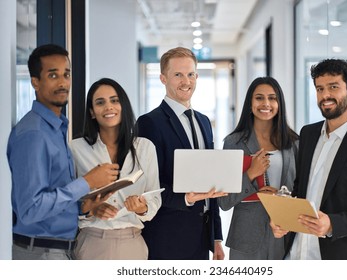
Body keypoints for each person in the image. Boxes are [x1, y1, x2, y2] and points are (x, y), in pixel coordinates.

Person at [7, 44, 119, 260]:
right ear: (35, 82)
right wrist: (87, 182)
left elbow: (52, 196)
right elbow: (31, 209)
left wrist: (85, 206)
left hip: (57, 250)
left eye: (66, 74)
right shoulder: (34, 134)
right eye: (52, 75)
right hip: (40, 254)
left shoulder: (56, 129)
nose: (62, 82)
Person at [271, 58, 347, 259]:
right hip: (297, 252)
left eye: (333, 87)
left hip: (341, 255)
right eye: (319, 88)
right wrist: (284, 218)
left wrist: (333, 224)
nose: (325, 95)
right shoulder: (308, 134)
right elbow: (301, 189)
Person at [136, 47, 226, 260]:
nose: (186, 81)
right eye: (178, 75)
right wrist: (185, 198)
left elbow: (209, 180)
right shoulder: (149, 123)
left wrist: (216, 238)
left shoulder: (203, 122)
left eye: (191, 74)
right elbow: (149, 185)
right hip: (167, 235)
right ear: (163, 78)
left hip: (202, 239)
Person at [69, 78, 162, 259]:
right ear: (92, 112)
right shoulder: (75, 149)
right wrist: (92, 210)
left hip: (132, 243)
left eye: (114, 100)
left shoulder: (145, 148)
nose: (109, 107)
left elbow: (154, 198)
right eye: (100, 102)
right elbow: (67, 201)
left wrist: (141, 207)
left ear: (123, 106)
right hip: (92, 242)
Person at [218, 77, 299, 260]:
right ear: (250, 103)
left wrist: (280, 196)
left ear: (280, 103)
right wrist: (250, 174)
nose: (266, 103)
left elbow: (302, 189)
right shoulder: (233, 143)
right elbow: (223, 202)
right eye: (259, 98)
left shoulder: (294, 143)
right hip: (246, 238)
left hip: (285, 233)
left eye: (272, 98)